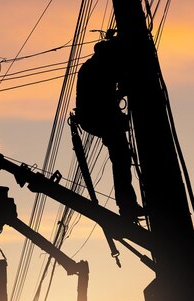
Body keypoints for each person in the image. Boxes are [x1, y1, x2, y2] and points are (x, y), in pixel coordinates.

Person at [75, 38, 143, 222]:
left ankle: (127, 204)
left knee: (121, 157)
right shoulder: (99, 67)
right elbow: (116, 85)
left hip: (97, 118)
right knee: (121, 157)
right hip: (99, 117)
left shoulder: (95, 65)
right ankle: (127, 205)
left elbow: (119, 82)